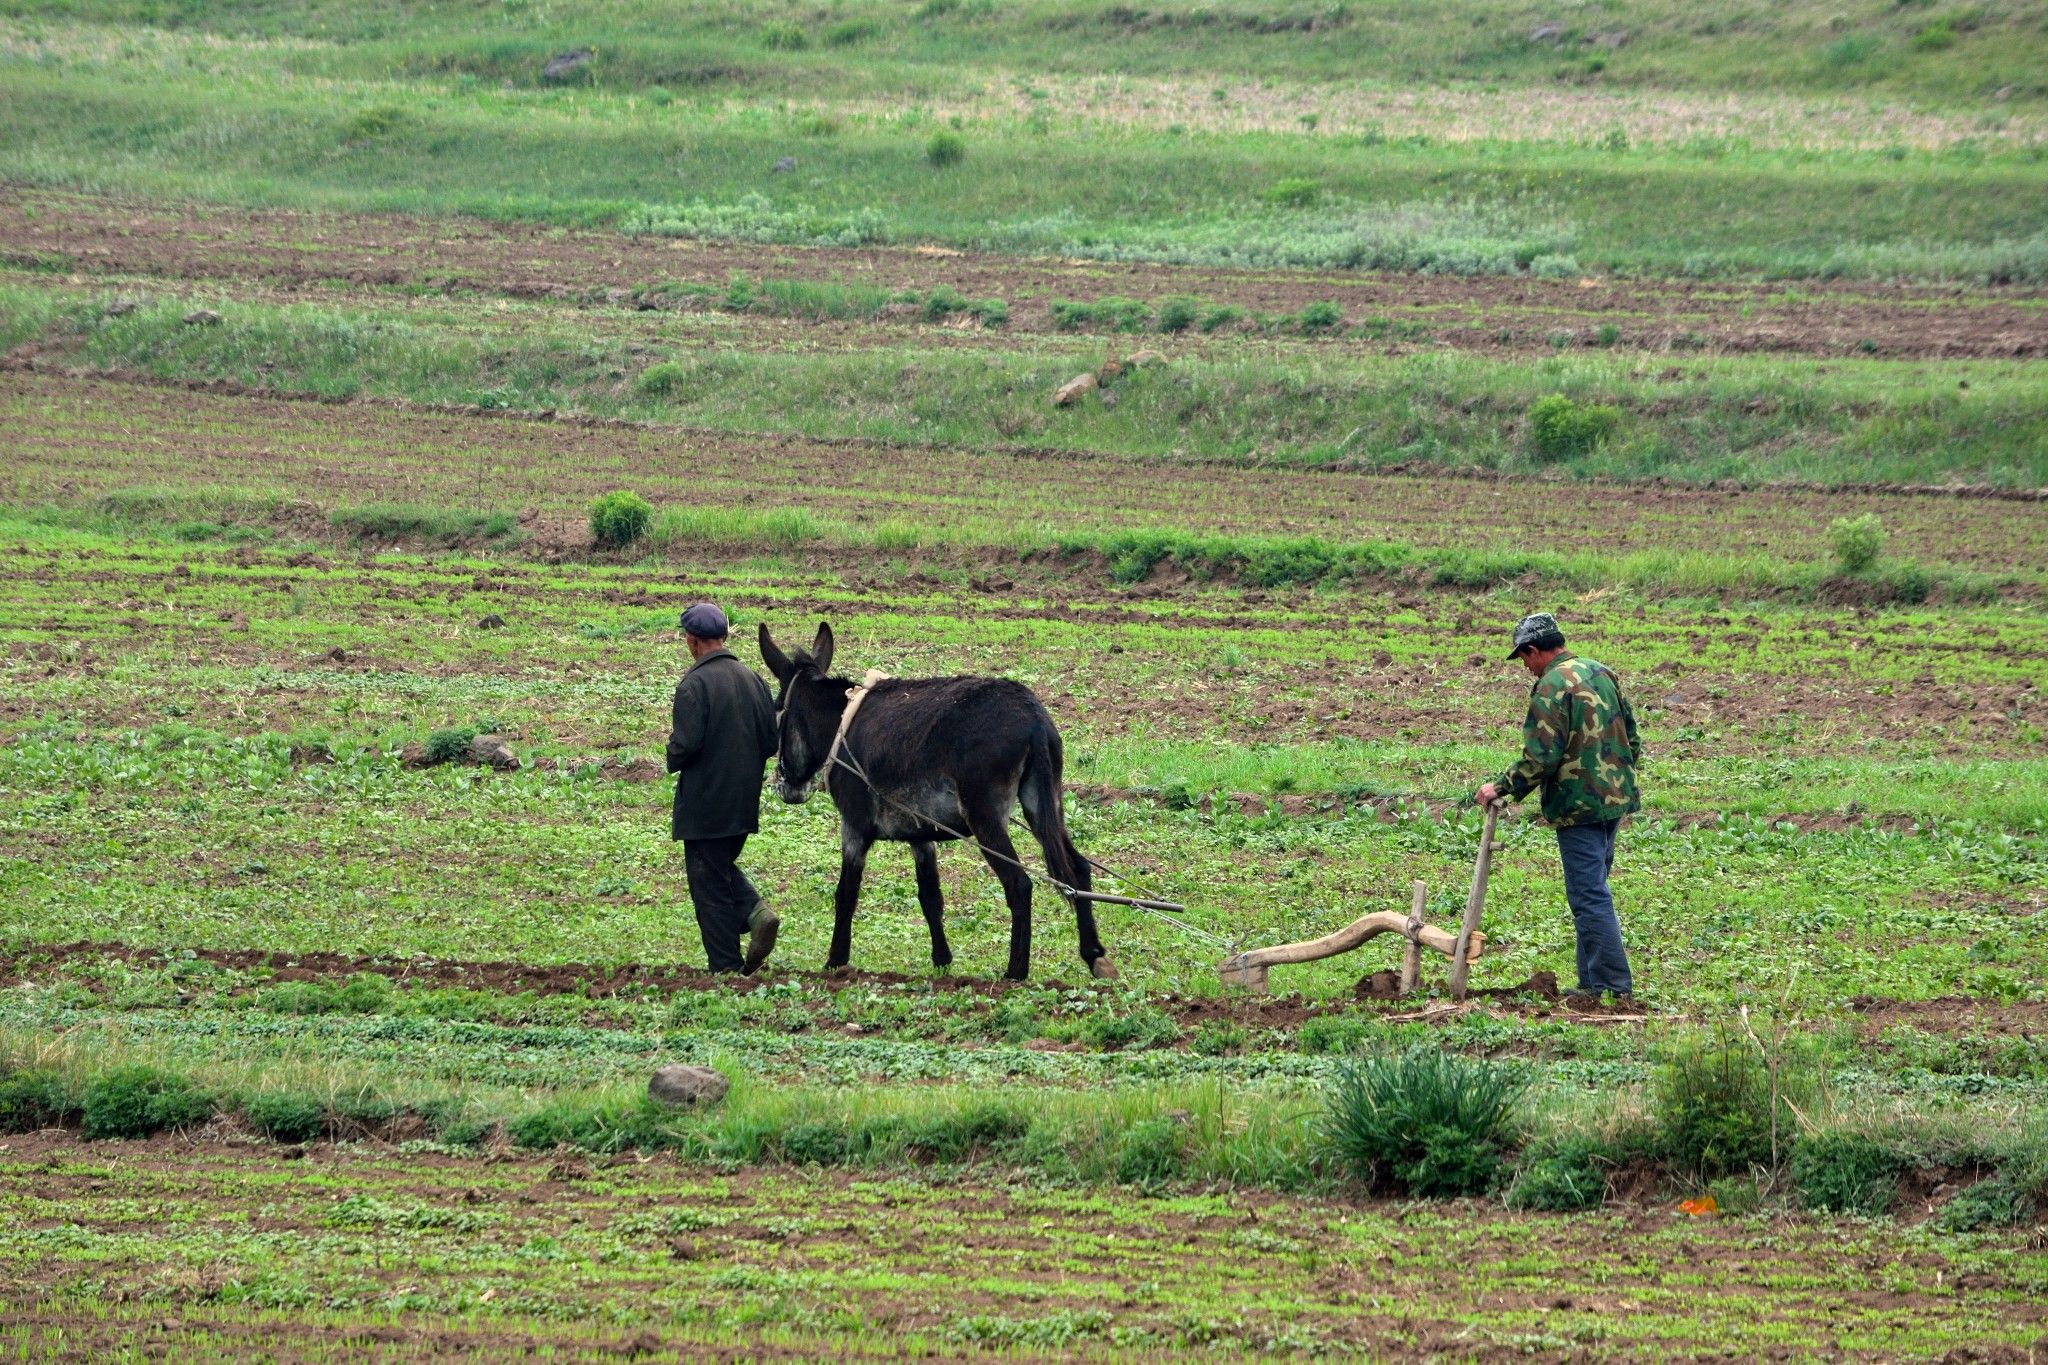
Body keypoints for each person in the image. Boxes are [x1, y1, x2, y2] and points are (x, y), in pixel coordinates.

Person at [1475, 612, 1642, 1006]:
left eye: (1524, 658)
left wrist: (1499, 787)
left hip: (1578, 805)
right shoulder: (1601, 671)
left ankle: (1614, 986)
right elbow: (1632, 736)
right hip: (1613, 800)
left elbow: (1540, 757)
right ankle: (1591, 982)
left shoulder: (1551, 686)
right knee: (1593, 890)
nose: (1525, 668)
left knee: (1588, 896)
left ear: (1536, 650)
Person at [665, 602, 781, 973]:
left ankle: (726, 970)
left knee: (708, 887)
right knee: (718, 869)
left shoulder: (693, 685)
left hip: (705, 806)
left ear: (693, 641)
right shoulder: (754, 679)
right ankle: (756, 913)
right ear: (724, 637)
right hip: (743, 804)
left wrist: (670, 755)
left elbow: (685, 746)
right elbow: (770, 742)